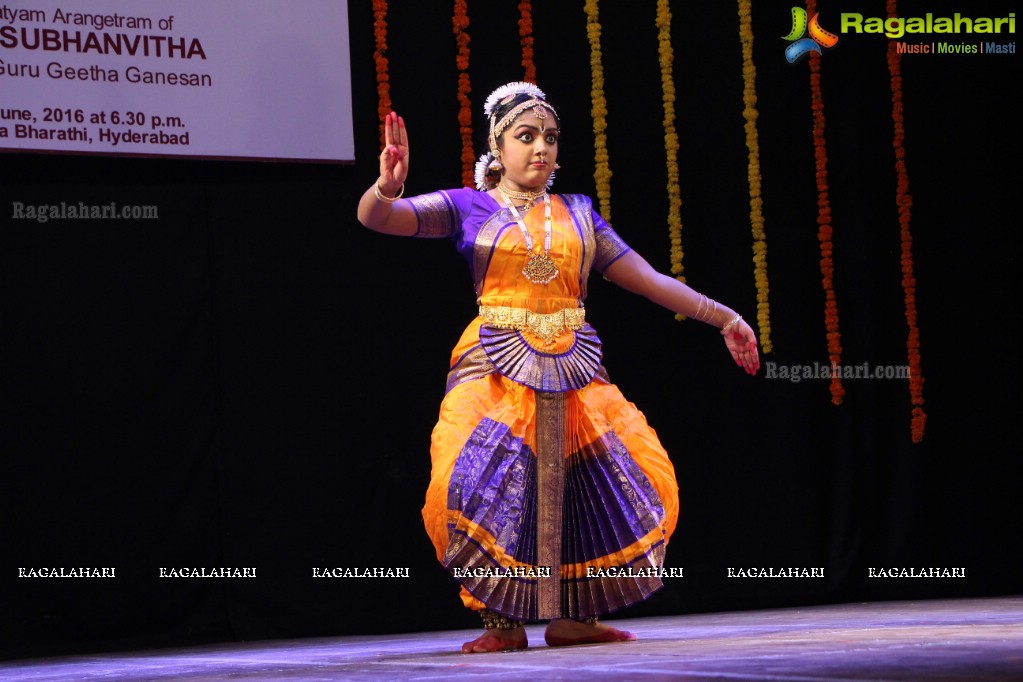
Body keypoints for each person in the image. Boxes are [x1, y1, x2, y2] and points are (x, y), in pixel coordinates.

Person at [357, 82, 759, 653]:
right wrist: (386, 187)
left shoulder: (578, 214)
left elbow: (647, 279)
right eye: (526, 136)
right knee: (473, 483)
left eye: (549, 137)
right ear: (497, 145)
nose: (541, 148)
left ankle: (575, 617)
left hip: (572, 365)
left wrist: (723, 317)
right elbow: (378, 219)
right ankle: (503, 622)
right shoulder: (468, 206)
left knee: (611, 478)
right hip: (493, 363)